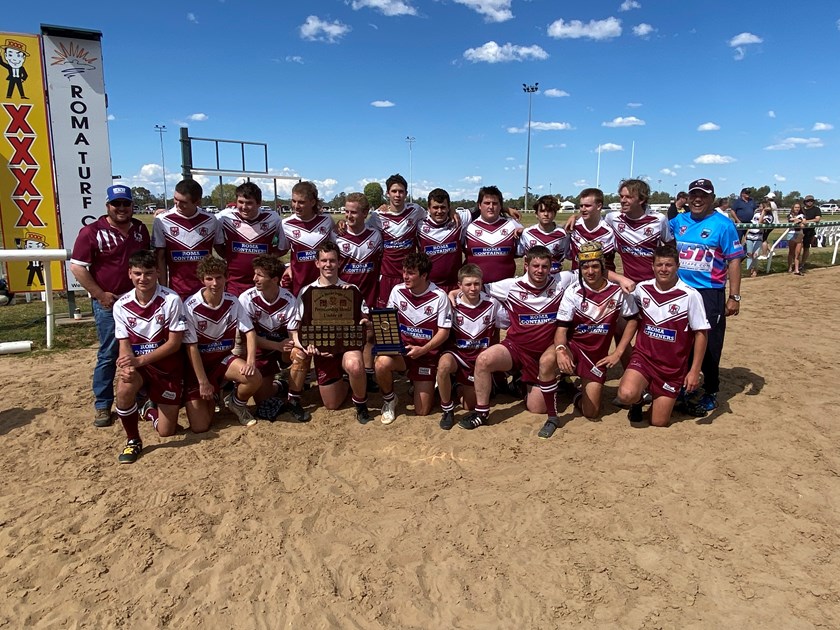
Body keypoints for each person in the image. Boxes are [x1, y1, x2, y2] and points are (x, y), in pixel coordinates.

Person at [459, 246, 575, 430]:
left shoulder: (562, 280)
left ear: (551, 266)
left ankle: (524, 382)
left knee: (537, 408)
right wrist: (453, 293)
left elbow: (591, 271)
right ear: (526, 265)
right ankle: (482, 413)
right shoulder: (510, 286)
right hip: (516, 347)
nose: (540, 270)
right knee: (484, 360)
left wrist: (620, 278)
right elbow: (476, 287)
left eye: (545, 266)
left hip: (545, 352)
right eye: (535, 265)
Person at [69, 185, 151, 427]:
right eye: (117, 204)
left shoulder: (139, 229)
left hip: (139, 303)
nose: (122, 208)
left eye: (126, 203)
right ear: (108, 206)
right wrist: (99, 294)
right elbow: (77, 266)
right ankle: (103, 404)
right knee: (109, 353)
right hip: (110, 303)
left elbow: (145, 263)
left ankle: (139, 396)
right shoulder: (91, 232)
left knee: (141, 351)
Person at [546, 241, 639, 438]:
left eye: (595, 266)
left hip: (596, 356)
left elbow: (632, 322)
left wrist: (618, 352)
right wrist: (562, 350)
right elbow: (561, 329)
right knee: (548, 359)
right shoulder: (572, 291)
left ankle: (575, 391)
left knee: (592, 412)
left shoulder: (617, 292)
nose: (590, 271)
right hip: (574, 347)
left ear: (603, 267)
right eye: (585, 266)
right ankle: (552, 403)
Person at [669, 178, 744, 414]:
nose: (697, 199)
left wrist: (734, 296)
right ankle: (682, 385)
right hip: (680, 292)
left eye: (703, 195)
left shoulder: (723, 225)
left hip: (709, 293)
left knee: (710, 343)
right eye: (694, 195)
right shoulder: (677, 222)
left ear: (712, 198)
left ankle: (711, 390)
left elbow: (734, 260)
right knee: (681, 341)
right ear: (687, 197)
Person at [616, 245, 710, 427]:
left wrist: (694, 370)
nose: (664, 269)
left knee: (659, 421)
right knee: (626, 394)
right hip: (644, 358)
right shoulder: (642, 289)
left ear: (677, 266)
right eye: (659, 265)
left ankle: (665, 398)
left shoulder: (690, 295)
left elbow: (701, 334)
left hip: (672, 367)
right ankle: (637, 401)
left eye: (669, 265)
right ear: (652, 266)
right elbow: (627, 313)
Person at [112, 250, 187, 464]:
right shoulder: (121, 305)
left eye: (148, 273)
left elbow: (174, 344)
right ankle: (133, 440)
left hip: (167, 367)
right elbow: (124, 344)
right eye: (137, 273)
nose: (142, 278)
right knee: (125, 385)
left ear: (157, 274)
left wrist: (138, 361)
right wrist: (127, 365)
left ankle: (149, 410)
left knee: (166, 432)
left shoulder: (171, 299)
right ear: (129, 274)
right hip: (141, 367)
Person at [291, 242, 371, 424]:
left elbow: (365, 321)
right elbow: (294, 329)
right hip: (323, 352)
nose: (328, 265)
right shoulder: (307, 292)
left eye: (333, 261)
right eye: (324, 261)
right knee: (332, 404)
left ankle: (361, 403)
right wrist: (307, 345)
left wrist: (366, 322)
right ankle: (346, 381)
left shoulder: (351, 290)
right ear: (317, 263)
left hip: (347, 348)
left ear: (339, 262)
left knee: (355, 365)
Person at [182, 256, 261, 431]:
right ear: (202, 279)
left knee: (253, 376)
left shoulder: (232, 301)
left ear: (226, 278)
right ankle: (213, 394)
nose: (215, 283)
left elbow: (250, 332)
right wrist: (203, 382)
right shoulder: (190, 306)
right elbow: (191, 347)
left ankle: (237, 403)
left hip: (222, 361)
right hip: (199, 367)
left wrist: (250, 361)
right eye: (209, 278)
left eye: (219, 277)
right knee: (200, 427)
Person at [375, 252, 452, 424]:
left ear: (424, 275)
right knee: (381, 363)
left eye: (410, 273)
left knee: (422, 411)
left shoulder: (439, 297)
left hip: (426, 356)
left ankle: (427, 382)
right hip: (402, 353)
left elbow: (444, 332)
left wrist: (423, 349)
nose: (405, 276)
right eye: (404, 272)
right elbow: (389, 323)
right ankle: (389, 399)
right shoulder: (397, 291)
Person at [238, 254, 311, 422]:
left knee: (300, 354)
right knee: (263, 400)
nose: (254, 278)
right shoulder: (246, 299)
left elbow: (293, 333)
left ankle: (294, 400)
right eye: (255, 274)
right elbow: (247, 337)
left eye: (260, 275)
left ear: (275, 279)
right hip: (259, 349)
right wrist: (276, 345)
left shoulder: (289, 300)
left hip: (282, 347)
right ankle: (282, 384)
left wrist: (304, 346)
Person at [436, 264, 507, 430]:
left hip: (480, 360)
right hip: (458, 356)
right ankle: (447, 409)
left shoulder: (492, 303)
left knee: (469, 405)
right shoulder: (451, 305)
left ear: (482, 283)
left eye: (477, 284)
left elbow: (509, 324)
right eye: (468, 284)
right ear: (459, 285)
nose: (473, 288)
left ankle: (457, 385)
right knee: (443, 366)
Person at [152, 179, 222, 300]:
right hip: (176, 291)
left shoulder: (211, 220)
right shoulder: (162, 220)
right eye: (175, 199)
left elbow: (222, 252)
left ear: (198, 202)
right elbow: (160, 258)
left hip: (206, 290)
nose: (177, 204)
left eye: (183, 202)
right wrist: (163, 289)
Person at [217, 182, 289, 297]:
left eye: (249, 203)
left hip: (264, 283)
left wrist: (267, 261)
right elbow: (217, 244)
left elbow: (283, 247)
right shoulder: (224, 217)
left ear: (259, 203)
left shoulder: (273, 218)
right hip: (234, 283)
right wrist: (230, 257)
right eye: (240, 202)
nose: (244, 207)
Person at [367, 174, 427, 307]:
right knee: (385, 315)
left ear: (406, 193)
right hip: (387, 274)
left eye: (401, 191)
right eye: (394, 191)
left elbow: (434, 216)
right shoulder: (377, 215)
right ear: (387, 193)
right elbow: (363, 231)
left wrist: (451, 211)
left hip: (410, 274)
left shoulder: (415, 210)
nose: (397, 195)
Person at [282, 181, 335, 295]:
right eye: (294, 201)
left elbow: (335, 249)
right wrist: (289, 266)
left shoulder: (326, 220)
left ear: (312, 202)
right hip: (299, 283)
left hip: (325, 282)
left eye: (301, 202)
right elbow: (282, 250)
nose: (296, 206)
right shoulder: (285, 224)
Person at [464, 185, 523, 284]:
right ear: (479, 205)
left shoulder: (513, 225)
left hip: (505, 290)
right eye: (487, 203)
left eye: (495, 203)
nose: (491, 207)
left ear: (500, 206)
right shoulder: (468, 227)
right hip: (476, 290)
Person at [333, 192, 382, 307]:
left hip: (370, 300)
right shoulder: (335, 236)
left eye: (353, 212)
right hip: (343, 300)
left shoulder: (375, 235)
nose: (348, 216)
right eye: (347, 211)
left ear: (365, 213)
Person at [417, 188, 471, 293]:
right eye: (435, 207)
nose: (439, 211)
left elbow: (481, 209)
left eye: (443, 207)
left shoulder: (458, 220)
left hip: (454, 286)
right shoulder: (419, 225)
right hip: (428, 287)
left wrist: (505, 209)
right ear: (428, 208)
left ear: (449, 208)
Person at [566, 188, 617, 272]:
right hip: (578, 281)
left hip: (605, 281)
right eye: (581, 206)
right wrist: (574, 216)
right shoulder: (572, 227)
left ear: (599, 206)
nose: (583, 209)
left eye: (587, 206)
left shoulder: (611, 230)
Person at [744, 202, 772, 277]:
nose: (760, 208)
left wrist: (763, 213)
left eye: (761, 207)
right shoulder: (756, 214)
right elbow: (751, 225)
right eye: (759, 206)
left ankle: (755, 269)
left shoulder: (769, 217)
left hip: (758, 237)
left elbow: (760, 223)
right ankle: (749, 270)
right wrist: (746, 235)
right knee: (749, 254)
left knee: (755, 255)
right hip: (750, 236)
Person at [800, 194, 822, 271]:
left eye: (811, 201)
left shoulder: (816, 209)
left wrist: (807, 221)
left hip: (809, 231)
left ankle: (802, 264)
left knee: (806, 247)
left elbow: (817, 219)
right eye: (808, 201)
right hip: (799, 230)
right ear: (805, 202)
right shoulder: (801, 209)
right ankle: (795, 264)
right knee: (797, 248)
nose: (809, 202)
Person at [787, 202, 806, 275]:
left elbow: (803, 222)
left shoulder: (802, 215)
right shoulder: (790, 215)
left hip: (799, 234)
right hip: (791, 234)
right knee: (791, 252)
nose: (797, 209)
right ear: (793, 208)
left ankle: (796, 269)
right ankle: (789, 267)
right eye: (795, 207)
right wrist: (797, 220)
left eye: (798, 207)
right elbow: (790, 219)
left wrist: (799, 221)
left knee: (797, 253)